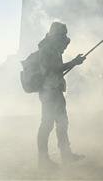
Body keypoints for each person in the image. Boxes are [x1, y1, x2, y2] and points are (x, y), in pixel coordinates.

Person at [32, 21, 86, 169]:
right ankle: (43, 161)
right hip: (48, 91)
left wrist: (74, 62)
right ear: (55, 34)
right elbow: (52, 69)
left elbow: (57, 66)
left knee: (63, 123)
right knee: (47, 124)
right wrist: (74, 62)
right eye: (62, 34)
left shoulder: (54, 48)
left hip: (55, 90)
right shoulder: (46, 49)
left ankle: (66, 155)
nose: (64, 37)